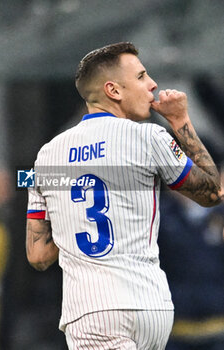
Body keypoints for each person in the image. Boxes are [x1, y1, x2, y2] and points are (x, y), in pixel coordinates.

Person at [25, 42, 223, 350]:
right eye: (142, 77)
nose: (153, 85)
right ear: (113, 90)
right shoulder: (150, 137)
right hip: (153, 309)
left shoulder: (48, 156)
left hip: (95, 312)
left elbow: (38, 256)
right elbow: (212, 192)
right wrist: (181, 122)